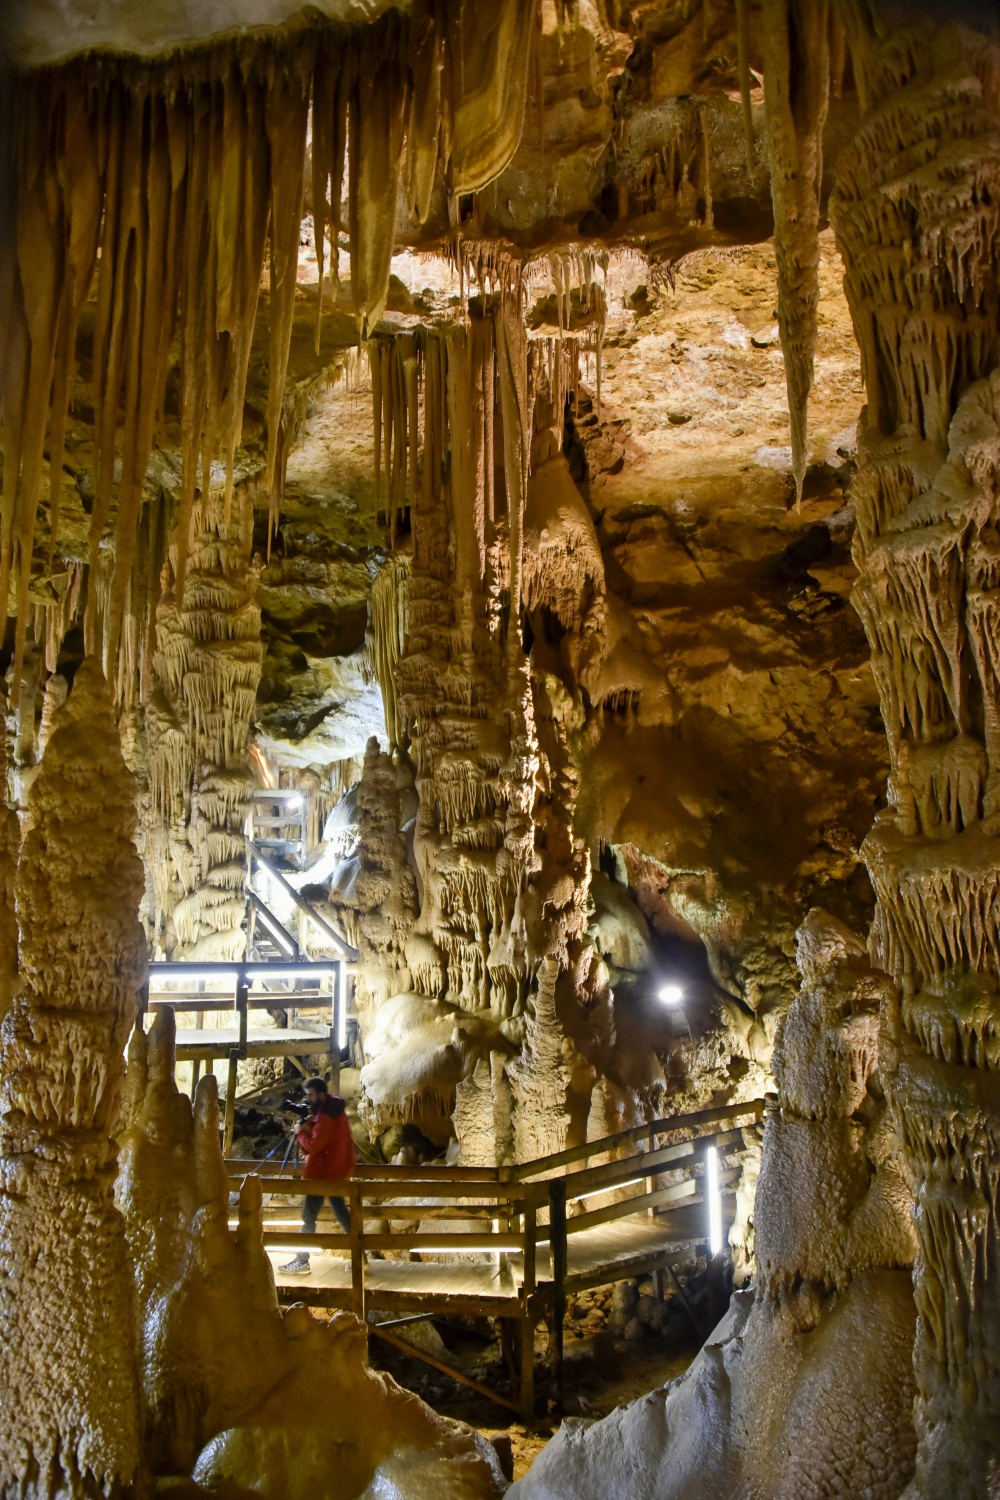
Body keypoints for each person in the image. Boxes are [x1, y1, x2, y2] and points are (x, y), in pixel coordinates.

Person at [279, 1077, 355, 1276]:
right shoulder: (334, 1109)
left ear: (321, 1094)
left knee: (308, 1216)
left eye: (311, 1095)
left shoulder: (326, 1116)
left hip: (323, 1173)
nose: (309, 1099)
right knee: (341, 1213)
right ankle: (360, 1256)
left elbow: (315, 1146)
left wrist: (301, 1133)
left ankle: (301, 1260)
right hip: (335, 1170)